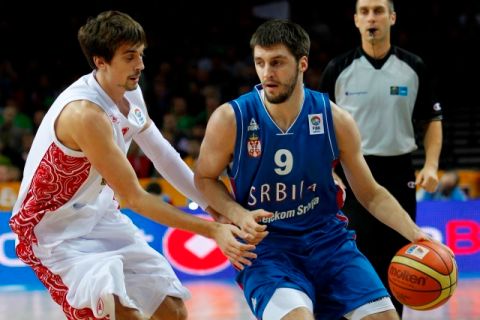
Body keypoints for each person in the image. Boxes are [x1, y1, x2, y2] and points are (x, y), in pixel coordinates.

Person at [8, 11, 262, 320]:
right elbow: (134, 197)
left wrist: (216, 207)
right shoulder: (85, 115)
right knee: (120, 314)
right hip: (52, 233)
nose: (140, 65)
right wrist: (212, 231)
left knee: (174, 312)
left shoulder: (130, 93)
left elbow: (163, 155)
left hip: (99, 215)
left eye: (140, 54)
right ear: (101, 61)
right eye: (129, 57)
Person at [193, 19, 441, 320]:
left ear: (302, 63)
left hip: (330, 244)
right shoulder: (231, 119)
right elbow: (204, 178)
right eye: (260, 62)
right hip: (269, 250)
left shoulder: (335, 120)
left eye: (277, 62)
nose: (267, 73)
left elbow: (371, 194)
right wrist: (238, 214)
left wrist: (416, 234)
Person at [318, 0, 443, 316]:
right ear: (356, 20)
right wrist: (326, 170)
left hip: (399, 170)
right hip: (350, 171)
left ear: (392, 17)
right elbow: (318, 127)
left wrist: (430, 165)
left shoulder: (413, 67)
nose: (371, 17)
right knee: (353, 255)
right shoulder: (338, 69)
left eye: (378, 11)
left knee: (398, 258)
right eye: (365, 11)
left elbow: (432, 120)